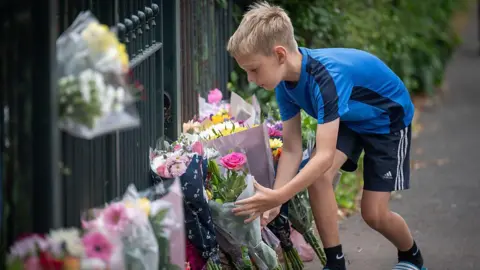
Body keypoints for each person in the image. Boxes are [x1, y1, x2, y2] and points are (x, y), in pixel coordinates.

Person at [228, 2, 426, 270]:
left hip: (387, 120)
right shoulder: (284, 85)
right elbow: (291, 149)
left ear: (279, 55)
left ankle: (411, 256)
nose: (251, 79)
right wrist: (277, 199)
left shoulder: (326, 78)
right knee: (318, 176)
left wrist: (278, 196)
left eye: (254, 69)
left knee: (374, 213)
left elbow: (323, 157)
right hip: (351, 118)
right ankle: (336, 263)